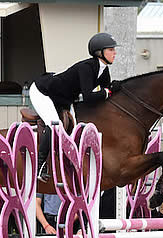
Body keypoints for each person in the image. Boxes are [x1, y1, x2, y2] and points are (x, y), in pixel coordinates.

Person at [29, 32, 121, 182]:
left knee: (76, 127)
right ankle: (39, 166)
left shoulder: (103, 70)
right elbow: (89, 96)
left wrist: (112, 89)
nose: (114, 52)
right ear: (100, 52)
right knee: (54, 125)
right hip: (43, 91)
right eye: (111, 49)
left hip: (63, 99)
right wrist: (109, 91)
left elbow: (105, 94)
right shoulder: (87, 67)